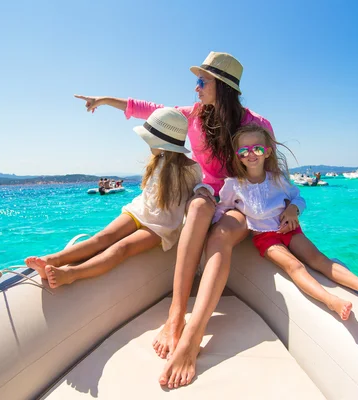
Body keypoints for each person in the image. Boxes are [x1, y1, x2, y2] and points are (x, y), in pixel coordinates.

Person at [75, 51, 281, 389]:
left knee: (220, 236)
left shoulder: (257, 125)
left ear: (223, 87)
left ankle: (193, 336)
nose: (196, 87)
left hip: (243, 199)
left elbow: (269, 173)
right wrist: (105, 100)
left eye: (203, 81)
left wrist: (287, 209)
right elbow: (150, 109)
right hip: (209, 194)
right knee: (198, 208)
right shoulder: (194, 116)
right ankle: (175, 317)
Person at [215, 124, 358, 321]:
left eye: (257, 149)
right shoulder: (233, 184)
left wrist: (293, 210)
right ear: (237, 155)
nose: (251, 154)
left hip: (290, 229)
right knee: (295, 267)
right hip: (265, 238)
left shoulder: (277, 179)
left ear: (267, 152)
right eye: (244, 151)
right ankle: (331, 301)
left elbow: (298, 198)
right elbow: (222, 208)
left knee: (318, 259)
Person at [25, 108, 208, 290]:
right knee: (103, 237)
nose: (147, 143)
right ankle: (53, 259)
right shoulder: (158, 160)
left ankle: (71, 274)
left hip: (161, 226)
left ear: (163, 141)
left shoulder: (191, 169)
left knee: (122, 248)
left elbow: (198, 190)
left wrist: (202, 190)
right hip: (140, 210)